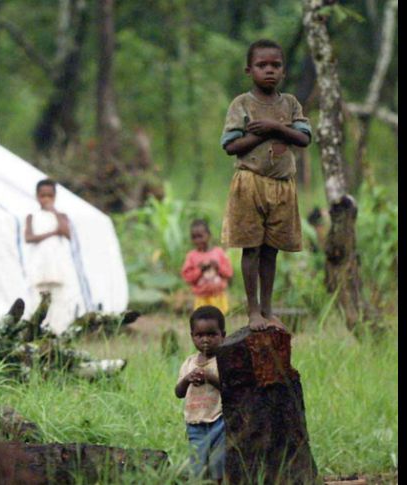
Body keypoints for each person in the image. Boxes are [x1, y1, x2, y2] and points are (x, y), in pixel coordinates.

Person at [220, 39, 312, 331]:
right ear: (250, 70)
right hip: (250, 183)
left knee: (271, 249)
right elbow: (230, 146)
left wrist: (273, 127)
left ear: (283, 71)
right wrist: (263, 135)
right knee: (252, 248)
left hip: (282, 186)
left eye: (276, 65)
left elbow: (304, 138)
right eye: (262, 65)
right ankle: (253, 311)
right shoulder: (242, 104)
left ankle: (268, 308)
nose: (269, 70)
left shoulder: (291, 104)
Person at [175, 306, 226, 483]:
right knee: (198, 466)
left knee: (218, 463)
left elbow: (230, 390)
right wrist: (188, 379)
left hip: (219, 421)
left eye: (212, 335)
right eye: (200, 335)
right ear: (192, 336)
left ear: (223, 335)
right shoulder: (189, 363)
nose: (206, 340)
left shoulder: (223, 361)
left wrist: (210, 377)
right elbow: (178, 392)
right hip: (195, 423)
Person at [25, 179, 78, 335]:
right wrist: (52, 233)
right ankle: (38, 332)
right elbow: (28, 237)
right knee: (38, 299)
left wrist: (54, 212)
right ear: (37, 196)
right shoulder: (32, 216)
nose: (46, 199)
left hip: (57, 266)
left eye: (50, 196)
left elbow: (67, 232)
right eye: (43, 196)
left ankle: (58, 332)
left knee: (59, 301)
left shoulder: (61, 215)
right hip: (40, 265)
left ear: (55, 197)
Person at [180, 219, 233, 314]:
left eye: (200, 236)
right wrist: (200, 270)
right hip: (201, 298)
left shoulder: (219, 252)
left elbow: (229, 273)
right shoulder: (191, 256)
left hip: (218, 297)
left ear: (209, 235)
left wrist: (217, 267)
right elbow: (187, 278)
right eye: (194, 237)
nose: (197, 240)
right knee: (202, 320)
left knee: (219, 320)